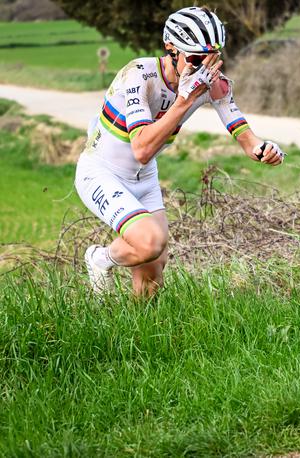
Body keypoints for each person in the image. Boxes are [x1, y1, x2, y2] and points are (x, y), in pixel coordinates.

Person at [74, 6, 284, 297]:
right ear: (171, 48)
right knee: (149, 243)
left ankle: (137, 332)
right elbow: (143, 148)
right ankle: (100, 259)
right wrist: (185, 101)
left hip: (143, 178)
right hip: (101, 172)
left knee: (154, 266)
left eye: (212, 58)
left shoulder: (210, 81)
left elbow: (249, 141)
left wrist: (266, 150)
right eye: (196, 58)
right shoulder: (140, 74)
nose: (203, 68)